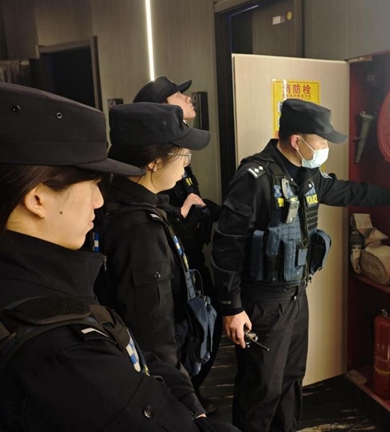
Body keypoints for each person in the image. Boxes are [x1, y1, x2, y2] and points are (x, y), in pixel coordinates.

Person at [0, 82, 240, 431]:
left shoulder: (45, 284)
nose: (99, 200)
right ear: (38, 199)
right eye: (91, 185)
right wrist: (188, 408)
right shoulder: (61, 350)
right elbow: (151, 334)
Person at [212, 98, 390, 432]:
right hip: (263, 303)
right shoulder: (255, 178)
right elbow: (227, 245)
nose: (325, 147)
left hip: (296, 296)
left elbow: (349, 192)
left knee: (291, 380)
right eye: (322, 141)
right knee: (261, 388)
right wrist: (232, 307)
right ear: (297, 141)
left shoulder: (308, 174)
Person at [134, 77, 222, 412]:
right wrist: (180, 215)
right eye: (178, 95)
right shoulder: (138, 218)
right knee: (177, 339)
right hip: (171, 263)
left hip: (190, 258)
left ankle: (191, 395)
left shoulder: (176, 153)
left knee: (202, 330)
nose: (188, 98)